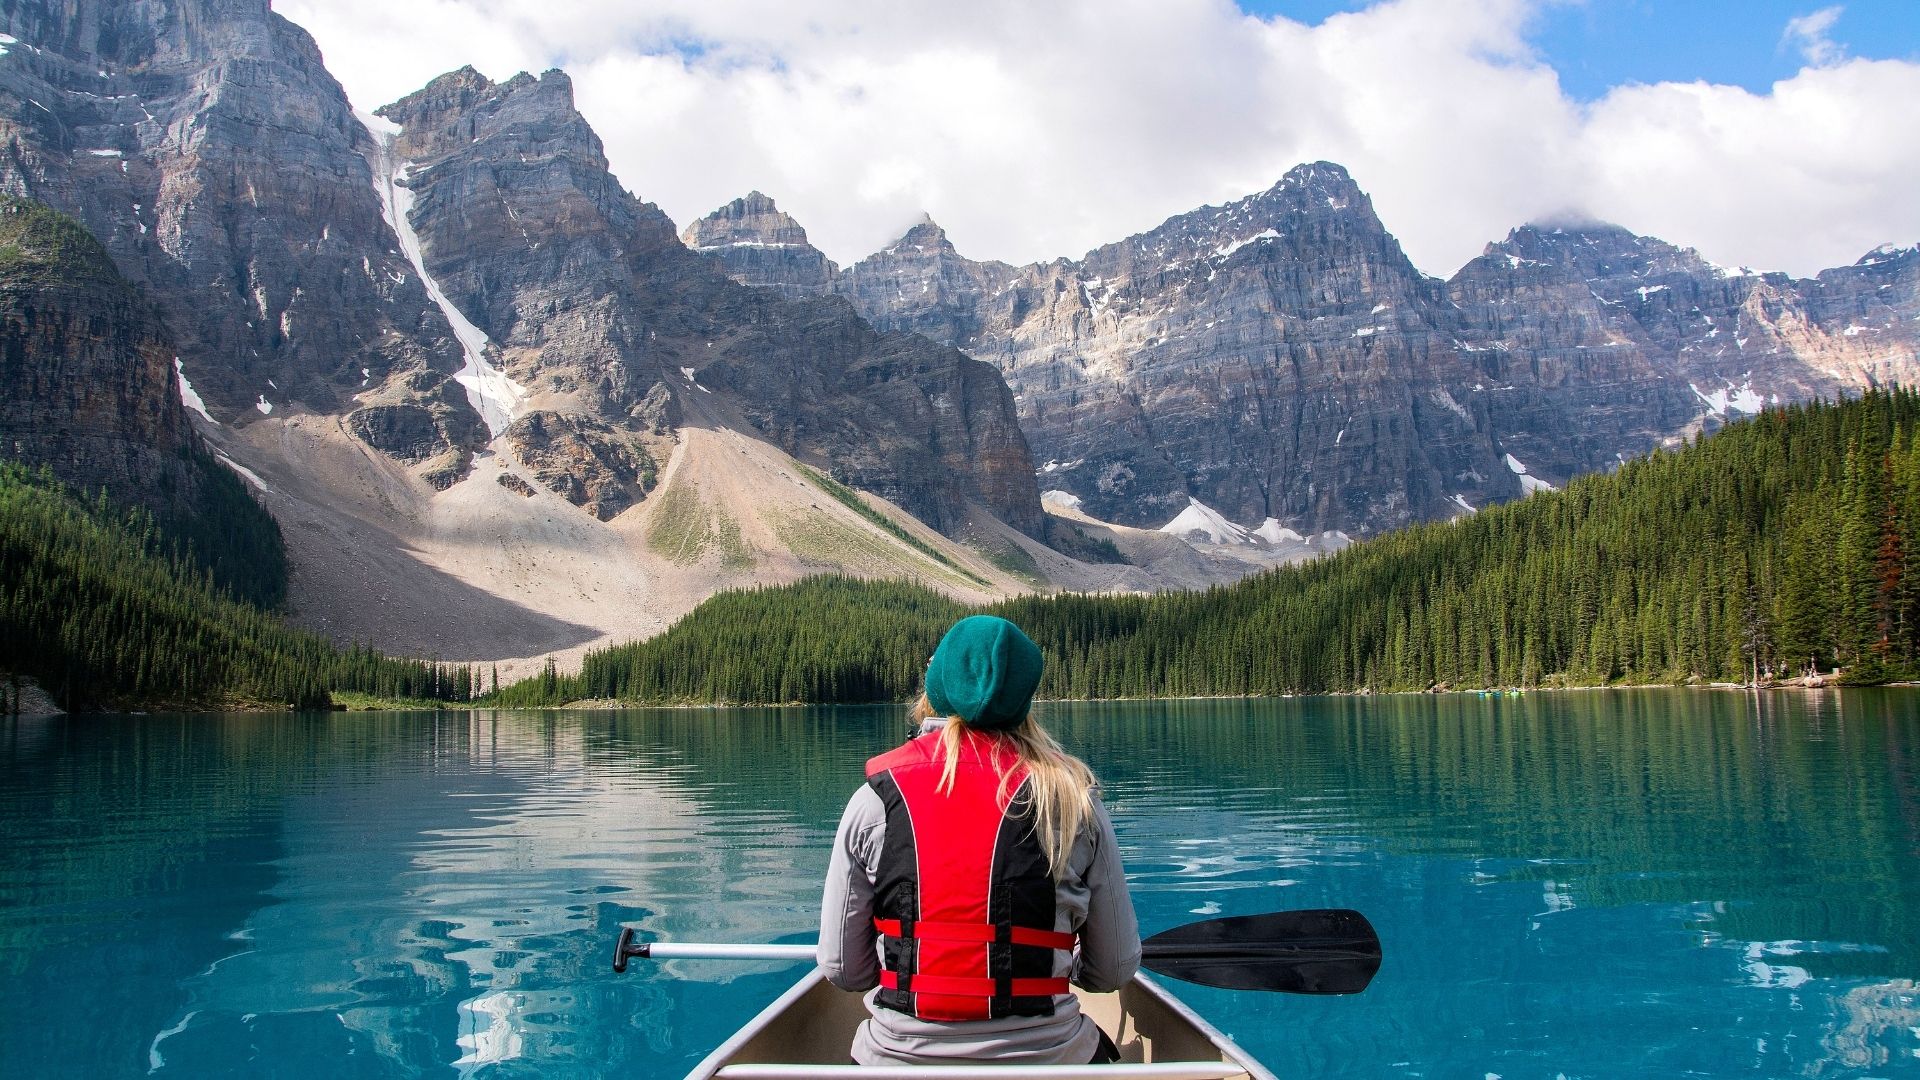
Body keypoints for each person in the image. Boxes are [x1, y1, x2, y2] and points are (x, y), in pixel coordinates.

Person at [818, 615, 1141, 1066]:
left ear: (937, 691)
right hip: (1051, 1060)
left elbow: (843, 970)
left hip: (896, 1060)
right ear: (1024, 698)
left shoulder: (874, 801)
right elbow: (1113, 971)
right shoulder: (1074, 803)